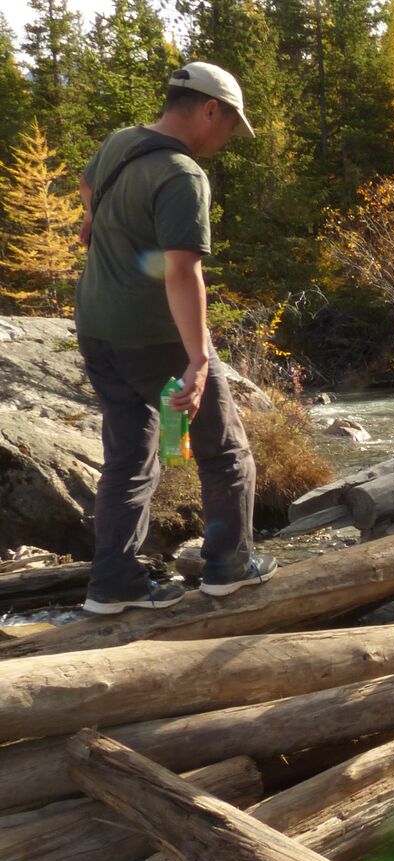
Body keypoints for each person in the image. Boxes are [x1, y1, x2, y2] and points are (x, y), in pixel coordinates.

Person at [74, 62, 272, 614]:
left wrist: (92, 220)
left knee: (130, 456)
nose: (229, 138)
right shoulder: (183, 175)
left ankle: (113, 582)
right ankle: (229, 568)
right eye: (231, 125)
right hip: (155, 337)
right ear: (210, 109)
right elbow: (183, 273)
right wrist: (197, 358)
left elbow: (87, 181)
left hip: (96, 330)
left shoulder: (119, 143)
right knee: (225, 450)